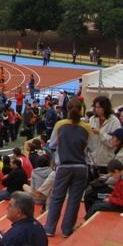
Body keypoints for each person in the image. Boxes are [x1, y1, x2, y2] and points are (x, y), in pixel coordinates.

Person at [44, 98, 96, 238]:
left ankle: (49, 228)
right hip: (81, 167)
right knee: (74, 199)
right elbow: (92, 147)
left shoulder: (60, 125)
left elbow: (53, 144)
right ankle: (67, 230)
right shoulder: (86, 127)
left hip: (64, 166)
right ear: (81, 110)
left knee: (57, 197)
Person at [89, 96, 121, 172]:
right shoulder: (92, 119)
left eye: (99, 107)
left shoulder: (114, 121)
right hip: (92, 160)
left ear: (105, 108)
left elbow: (113, 142)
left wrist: (99, 133)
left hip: (106, 161)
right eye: (96, 107)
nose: (97, 109)